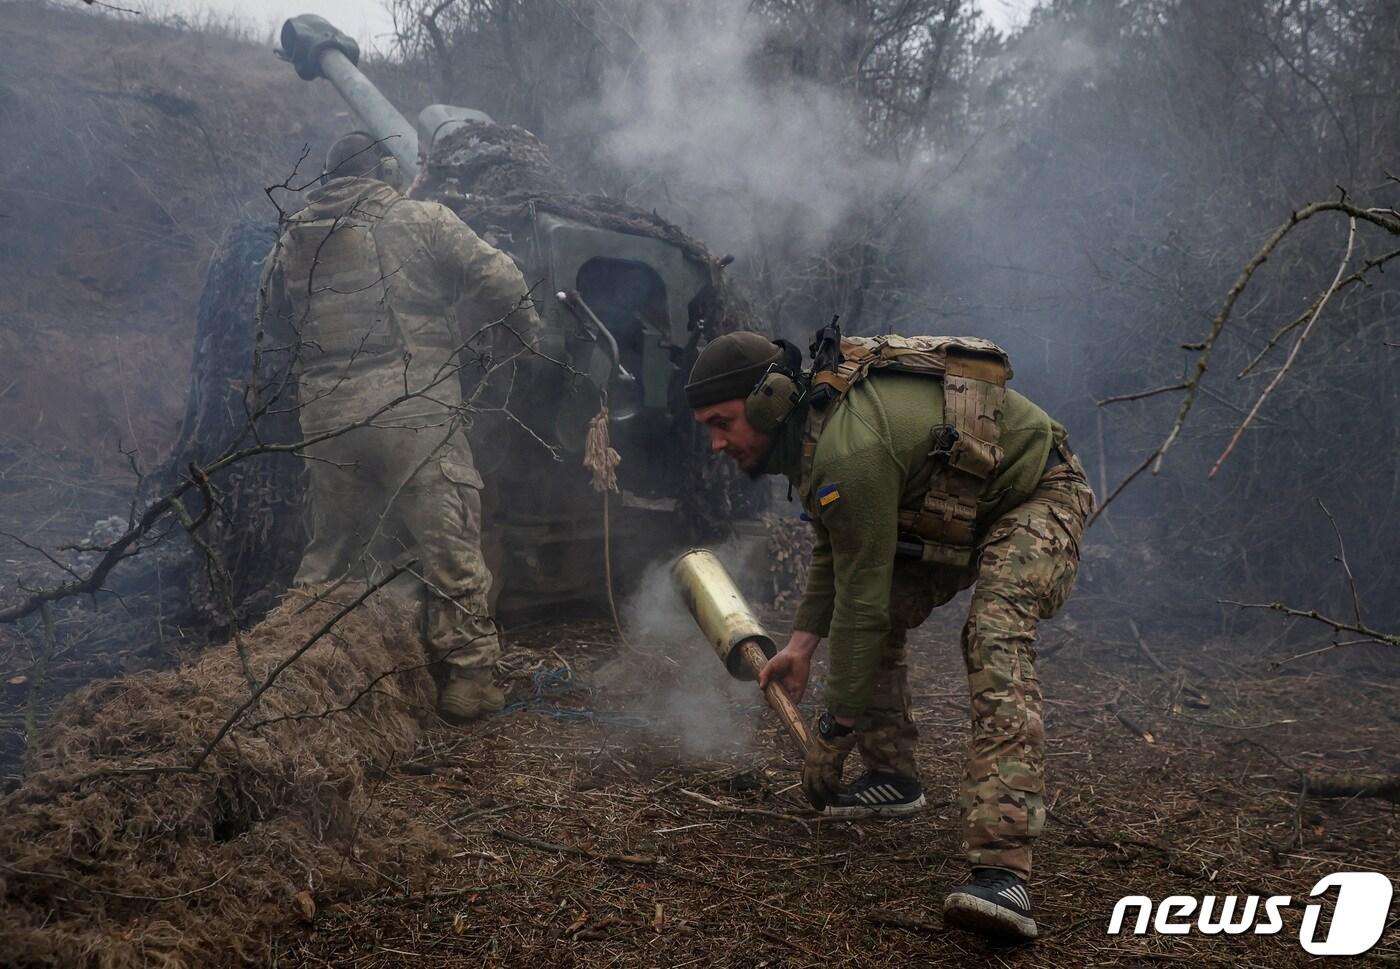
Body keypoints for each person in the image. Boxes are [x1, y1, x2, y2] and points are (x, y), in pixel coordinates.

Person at [686, 329, 1093, 942]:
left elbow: (862, 601)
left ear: (769, 402)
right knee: (885, 610)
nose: (717, 443)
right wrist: (800, 645)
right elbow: (836, 547)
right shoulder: (815, 436)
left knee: (993, 637)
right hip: (961, 509)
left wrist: (833, 732)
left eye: (723, 423)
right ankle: (893, 777)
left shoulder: (847, 449)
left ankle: (1003, 870)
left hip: (1039, 492)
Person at [257, 131, 540, 723]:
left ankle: (290, 671)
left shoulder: (293, 238)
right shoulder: (421, 219)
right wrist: (523, 339)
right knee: (447, 542)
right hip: (415, 413)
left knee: (332, 551)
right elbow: (504, 282)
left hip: (328, 418)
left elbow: (272, 326)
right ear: (385, 170)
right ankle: (468, 680)